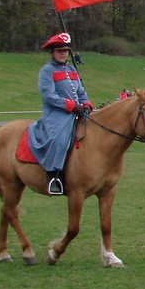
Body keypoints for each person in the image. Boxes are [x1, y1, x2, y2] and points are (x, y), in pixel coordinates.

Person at [27, 32, 93, 195]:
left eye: (66, 50)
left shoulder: (72, 70)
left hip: (77, 112)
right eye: (60, 50)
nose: (63, 53)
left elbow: (81, 91)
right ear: (52, 52)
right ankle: (53, 175)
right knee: (59, 139)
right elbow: (49, 96)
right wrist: (71, 105)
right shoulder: (46, 71)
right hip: (57, 114)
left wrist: (86, 103)